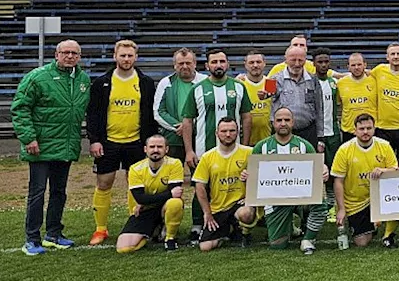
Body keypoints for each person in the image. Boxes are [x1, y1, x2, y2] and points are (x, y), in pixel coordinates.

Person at [12, 39, 90, 256]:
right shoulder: (37, 77)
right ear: (56, 54)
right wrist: (29, 138)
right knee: (37, 193)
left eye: (75, 53)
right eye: (66, 52)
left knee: (59, 192)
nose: (70, 56)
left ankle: (53, 234)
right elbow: (20, 108)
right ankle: (32, 238)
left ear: (80, 56)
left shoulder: (83, 79)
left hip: (65, 146)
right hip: (40, 146)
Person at [85, 39, 158, 246]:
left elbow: (149, 115)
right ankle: (100, 229)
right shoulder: (102, 82)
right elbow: (93, 114)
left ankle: (133, 224)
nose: (126, 59)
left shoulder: (145, 82)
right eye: (122, 55)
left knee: (134, 183)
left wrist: (148, 141)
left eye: (130, 55)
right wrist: (94, 140)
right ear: (114, 56)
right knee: (104, 183)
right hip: (108, 143)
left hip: (136, 141)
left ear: (136, 57)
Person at [249, 107, 329, 254]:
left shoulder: (304, 145)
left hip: (301, 198)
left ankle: (308, 240)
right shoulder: (262, 147)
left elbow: (315, 167)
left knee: (321, 203)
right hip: (276, 200)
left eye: (287, 120)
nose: (283, 123)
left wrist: (323, 169)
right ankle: (289, 226)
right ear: (273, 123)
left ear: (293, 123)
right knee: (277, 245)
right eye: (279, 120)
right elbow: (253, 173)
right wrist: (247, 175)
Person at [331, 113, 399, 249]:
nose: (365, 132)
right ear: (355, 130)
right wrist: (341, 209)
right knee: (361, 242)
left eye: (369, 128)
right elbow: (338, 181)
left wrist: (384, 170)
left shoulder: (384, 146)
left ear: (374, 129)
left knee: (397, 197)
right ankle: (373, 225)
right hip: (356, 202)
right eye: (361, 129)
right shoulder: (344, 150)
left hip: (380, 198)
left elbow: (396, 171)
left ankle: (387, 233)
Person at [192, 118, 256, 252]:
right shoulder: (207, 157)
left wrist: (251, 182)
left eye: (232, 131)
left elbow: (264, 177)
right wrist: (207, 213)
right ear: (217, 133)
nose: (228, 134)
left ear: (238, 132)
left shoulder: (250, 152)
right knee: (205, 247)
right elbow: (199, 186)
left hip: (240, 203)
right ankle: (227, 231)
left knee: (246, 214)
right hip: (218, 207)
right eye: (224, 131)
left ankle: (244, 232)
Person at [115, 134, 185, 253]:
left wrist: (147, 200)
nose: (156, 150)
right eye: (152, 147)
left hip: (162, 207)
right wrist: (167, 194)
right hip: (144, 210)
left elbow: (175, 194)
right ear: (145, 149)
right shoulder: (135, 169)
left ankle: (170, 238)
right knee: (124, 249)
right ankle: (154, 231)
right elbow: (140, 198)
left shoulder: (175, 164)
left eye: (159, 147)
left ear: (166, 149)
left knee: (175, 203)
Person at [153, 48, 206, 162]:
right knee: (172, 176)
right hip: (174, 138)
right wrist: (178, 126)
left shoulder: (205, 82)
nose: (185, 66)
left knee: (199, 175)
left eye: (188, 63)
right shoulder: (166, 83)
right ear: (174, 65)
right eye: (181, 63)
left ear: (195, 64)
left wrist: (189, 126)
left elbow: (207, 109)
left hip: (199, 137)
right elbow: (159, 112)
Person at [270, 45, 325, 151]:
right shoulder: (274, 79)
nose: (297, 64)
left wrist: (320, 137)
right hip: (282, 132)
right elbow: (266, 97)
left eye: (300, 60)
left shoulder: (313, 80)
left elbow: (319, 109)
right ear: (286, 60)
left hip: (308, 132)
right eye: (293, 60)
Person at [310, 48, 342, 174]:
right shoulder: (309, 82)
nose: (323, 65)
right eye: (320, 62)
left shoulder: (334, 83)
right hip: (316, 133)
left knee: (334, 168)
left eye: (326, 62)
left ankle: (332, 193)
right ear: (313, 63)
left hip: (333, 133)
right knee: (318, 169)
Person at [337, 52, 376, 145]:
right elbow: (340, 103)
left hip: (370, 129)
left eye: (359, 64)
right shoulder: (341, 83)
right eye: (353, 65)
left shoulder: (374, 80)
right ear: (348, 67)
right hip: (349, 129)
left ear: (365, 65)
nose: (356, 67)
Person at [237, 50, 273, 145]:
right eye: (251, 62)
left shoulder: (270, 83)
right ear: (245, 64)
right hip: (244, 140)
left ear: (264, 63)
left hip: (267, 139)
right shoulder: (240, 83)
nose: (255, 65)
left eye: (258, 62)